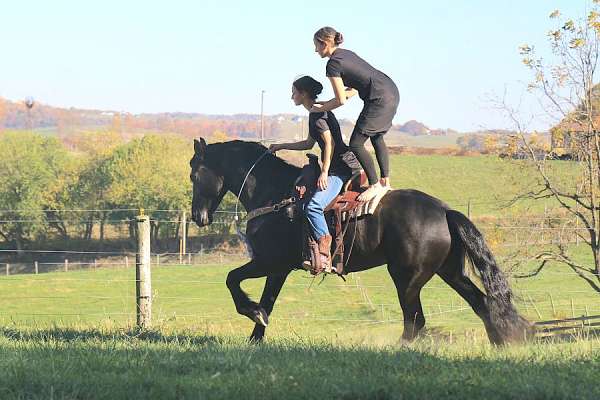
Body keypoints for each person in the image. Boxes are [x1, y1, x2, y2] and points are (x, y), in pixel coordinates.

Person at [269, 75, 360, 271]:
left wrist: (325, 172)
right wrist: (282, 145)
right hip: (336, 165)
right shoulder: (316, 111)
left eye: (294, 92)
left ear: (303, 94)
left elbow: (330, 143)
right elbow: (309, 143)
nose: (292, 96)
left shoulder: (317, 114)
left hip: (341, 168)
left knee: (313, 206)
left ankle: (324, 248)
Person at [312, 26, 400, 202]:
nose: (315, 50)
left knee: (356, 143)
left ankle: (375, 184)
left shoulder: (333, 64)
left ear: (325, 43)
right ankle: (385, 181)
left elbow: (341, 101)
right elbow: (351, 90)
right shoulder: (346, 54)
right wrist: (328, 103)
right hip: (391, 91)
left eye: (316, 45)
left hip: (378, 99)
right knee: (376, 136)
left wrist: (320, 108)